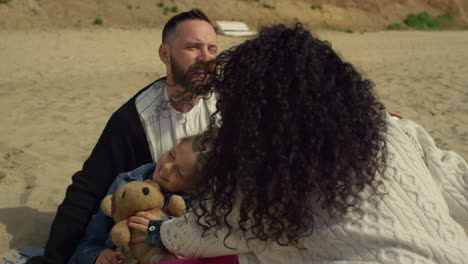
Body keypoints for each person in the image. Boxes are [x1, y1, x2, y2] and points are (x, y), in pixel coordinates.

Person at [129, 24, 468, 263]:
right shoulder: (391, 129)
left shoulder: (265, 180)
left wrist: (160, 231)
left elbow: (202, 233)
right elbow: (459, 189)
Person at [26, 8, 219, 264]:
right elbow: (88, 189)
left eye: (212, 49)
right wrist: (56, 257)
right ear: (165, 54)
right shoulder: (133, 119)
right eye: (193, 47)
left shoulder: (231, 109)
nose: (206, 58)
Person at [69, 131, 214, 264]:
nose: (167, 167)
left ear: (192, 189)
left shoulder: (194, 211)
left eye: (179, 173)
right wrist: (98, 256)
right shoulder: (126, 183)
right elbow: (88, 242)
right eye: (171, 155)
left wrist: (164, 231)